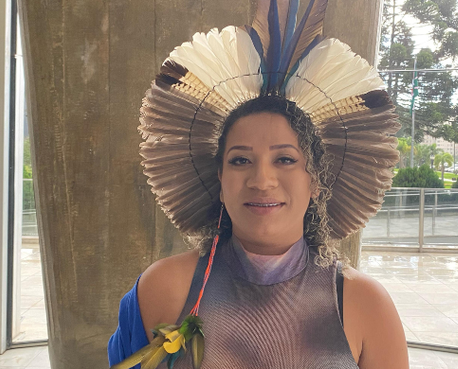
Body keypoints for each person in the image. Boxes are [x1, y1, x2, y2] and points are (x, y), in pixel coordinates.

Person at [108, 1, 406, 368]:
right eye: (240, 160)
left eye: (284, 159)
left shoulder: (364, 303)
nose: (262, 180)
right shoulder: (163, 288)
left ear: (315, 181)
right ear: (220, 180)